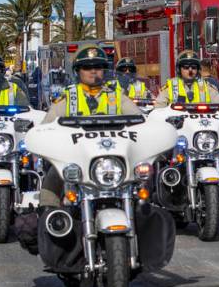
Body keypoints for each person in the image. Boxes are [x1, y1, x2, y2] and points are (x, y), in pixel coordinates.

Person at [39, 45, 142, 207]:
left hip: (114, 158)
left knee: (143, 176)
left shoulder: (116, 96)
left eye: (98, 67)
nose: (93, 71)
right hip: (77, 158)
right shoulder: (68, 98)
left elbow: (140, 120)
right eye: (87, 67)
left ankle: (141, 211)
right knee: (54, 174)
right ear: (78, 71)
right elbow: (45, 127)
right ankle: (50, 217)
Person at [154, 50, 219, 107]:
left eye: (194, 67)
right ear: (179, 69)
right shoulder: (170, 87)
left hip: (201, 124)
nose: (190, 70)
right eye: (186, 67)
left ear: (198, 70)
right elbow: (158, 110)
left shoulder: (207, 87)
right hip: (177, 125)